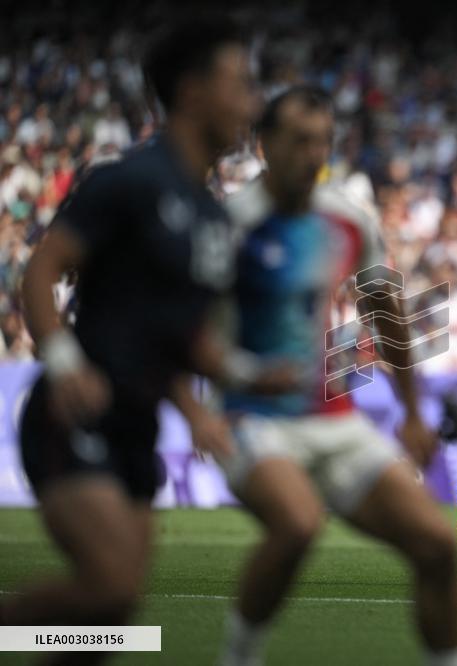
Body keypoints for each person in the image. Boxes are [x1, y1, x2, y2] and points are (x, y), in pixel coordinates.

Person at [2, 17, 276, 643]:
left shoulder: (211, 217)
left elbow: (177, 340)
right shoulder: (126, 181)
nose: (252, 103)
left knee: (112, 617)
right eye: (240, 84)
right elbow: (41, 273)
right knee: (110, 587)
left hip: (137, 425)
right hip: (75, 415)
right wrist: (66, 366)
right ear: (192, 91)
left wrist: (222, 393)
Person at [173, 86, 457, 666]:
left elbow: (387, 315)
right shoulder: (229, 225)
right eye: (299, 141)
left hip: (334, 420)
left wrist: (413, 413)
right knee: (298, 524)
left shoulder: (347, 219)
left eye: (322, 142)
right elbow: (177, 329)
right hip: (250, 418)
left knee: (437, 546)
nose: (312, 155)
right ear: (265, 144)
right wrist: (194, 409)